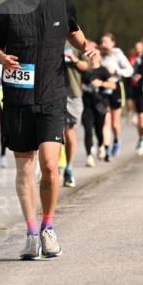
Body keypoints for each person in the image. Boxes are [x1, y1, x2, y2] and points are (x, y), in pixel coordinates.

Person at [0, 0, 99, 260]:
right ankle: (31, 232)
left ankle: (49, 227)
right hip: (18, 99)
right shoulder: (6, 9)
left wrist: (88, 48)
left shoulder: (61, 4)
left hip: (51, 97)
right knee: (25, 170)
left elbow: (77, 36)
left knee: (50, 166)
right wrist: (1, 59)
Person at [99, 33, 133, 159]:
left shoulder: (118, 54)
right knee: (105, 122)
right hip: (103, 89)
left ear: (113, 43)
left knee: (114, 123)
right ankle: (106, 148)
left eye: (106, 42)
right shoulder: (99, 55)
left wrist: (117, 71)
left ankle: (117, 141)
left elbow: (130, 71)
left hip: (116, 88)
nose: (103, 44)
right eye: (102, 42)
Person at [80, 53, 115, 166]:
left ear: (99, 57)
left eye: (95, 55)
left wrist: (101, 83)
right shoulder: (85, 70)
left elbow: (113, 85)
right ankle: (89, 156)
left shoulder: (103, 70)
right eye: (91, 56)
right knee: (88, 130)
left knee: (99, 130)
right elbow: (79, 83)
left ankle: (101, 145)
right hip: (87, 105)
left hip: (100, 105)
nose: (93, 58)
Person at [62, 44, 86, 186]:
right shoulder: (48, 37)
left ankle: (69, 167)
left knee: (69, 132)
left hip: (73, 94)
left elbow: (86, 66)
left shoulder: (78, 44)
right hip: (51, 93)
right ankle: (52, 169)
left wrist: (74, 59)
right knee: (53, 133)